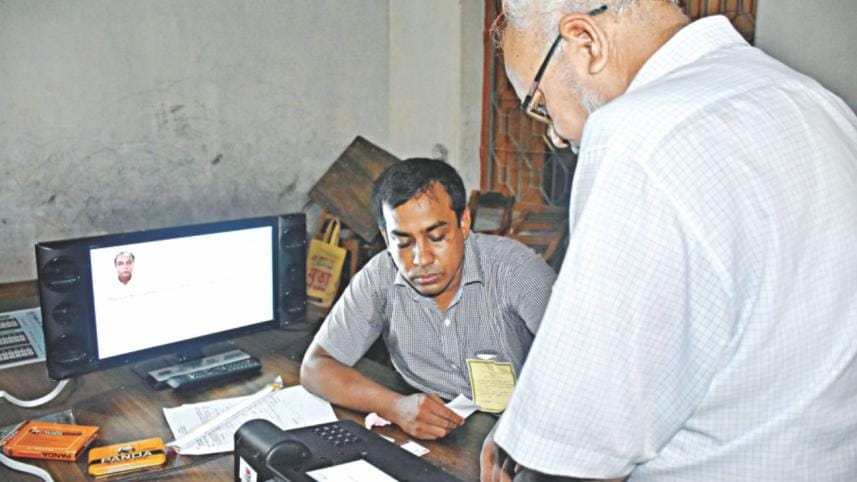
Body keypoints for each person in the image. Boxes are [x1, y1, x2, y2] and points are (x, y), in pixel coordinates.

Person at [482, 1, 857, 481]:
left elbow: (578, 451)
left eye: (539, 103)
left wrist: (538, 443)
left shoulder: (640, 137)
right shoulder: (814, 100)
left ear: (586, 42)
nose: (555, 134)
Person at [301, 158, 556, 440]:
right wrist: (395, 407)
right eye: (403, 242)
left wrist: (516, 434)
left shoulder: (516, 271)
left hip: (527, 425)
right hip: (433, 434)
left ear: (464, 222)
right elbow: (315, 367)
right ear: (386, 239)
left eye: (437, 236)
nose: (421, 259)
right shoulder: (380, 276)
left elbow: (583, 373)